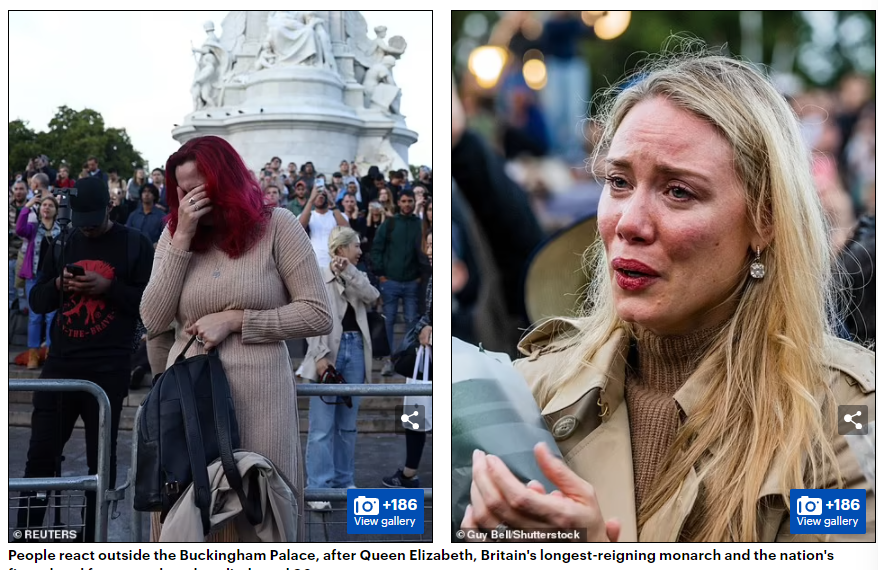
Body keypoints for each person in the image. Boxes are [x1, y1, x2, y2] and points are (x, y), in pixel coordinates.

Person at [461, 52, 876, 543]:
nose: (629, 223)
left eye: (678, 191)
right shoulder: (528, 390)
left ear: (765, 219)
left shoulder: (845, 409)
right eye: (618, 182)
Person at [140, 135, 331, 541]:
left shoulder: (277, 225)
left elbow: (318, 313)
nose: (190, 199)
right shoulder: (173, 235)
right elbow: (153, 319)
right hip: (189, 399)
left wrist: (238, 320)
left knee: (257, 516)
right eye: (182, 190)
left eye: (198, 187)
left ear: (223, 180)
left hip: (259, 399)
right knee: (188, 517)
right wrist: (182, 240)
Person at [15, 176, 155, 542]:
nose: (88, 229)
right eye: (82, 220)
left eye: (94, 219)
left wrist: (108, 288)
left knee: (100, 461)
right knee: (41, 456)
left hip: (108, 367)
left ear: (110, 207)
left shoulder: (134, 244)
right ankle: (28, 537)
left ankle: (92, 539)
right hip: (62, 364)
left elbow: (151, 306)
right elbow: (40, 301)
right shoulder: (63, 241)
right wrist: (59, 285)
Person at [301, 226, 380, 509]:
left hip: (356, 348)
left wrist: (348, 273)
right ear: (341, 248)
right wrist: (319, 355)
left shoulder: (358, 274)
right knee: (322, 426)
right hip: (328, 352)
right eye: (356, 246)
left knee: (348, 426)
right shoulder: (319, 277)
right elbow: (309, 317)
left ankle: (344, 481)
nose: (360, 251)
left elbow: (371, 296)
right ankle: (319, 487)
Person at [383, 231, 431, 488]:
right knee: (414, 415)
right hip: (424, 359)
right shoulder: (432, 277)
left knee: (417, 415)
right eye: (429, 244)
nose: (431, 250)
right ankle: (409, 472)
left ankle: (410, 473)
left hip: (435, 359)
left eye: (435, 244)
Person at [371, 189, 422, 376]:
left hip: (411, 282)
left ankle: (402, 358)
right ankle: (388, 361)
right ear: (398, 203)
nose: (407, 204)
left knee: (411, 323)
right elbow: (376, 248)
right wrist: (381, 274)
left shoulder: (419, 224)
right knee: (388, 322)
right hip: (390, 281)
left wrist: (419, 276)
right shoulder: (390, 224)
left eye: (410, 201)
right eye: (404, 201)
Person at [15, 195, 61, 368]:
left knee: (51, 316)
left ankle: (50, 352)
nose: (46, 208)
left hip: (52, 278)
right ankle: (33, 354)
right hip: (34, 276)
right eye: (44, 205)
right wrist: (28, 205)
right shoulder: (33, 228)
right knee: (35, 317)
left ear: (56, 210)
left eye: (50, 205)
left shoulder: (60, 230)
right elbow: (19, 229)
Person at [298, 181, 349, 268]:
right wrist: (311, 200)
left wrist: (332, 204)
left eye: (323, 194)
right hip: (313, 261)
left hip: (335, 262)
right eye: (317, 195)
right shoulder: (308, 215)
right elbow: (299, 228)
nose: (320, 196)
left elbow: (348, 231)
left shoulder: (338, 215)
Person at [9, 179, 28, 309]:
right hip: (9, 256)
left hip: (25, 258)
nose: (18, 192)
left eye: (21, 189)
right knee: (9, 293)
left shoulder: (33, 208)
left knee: (23, 295)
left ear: (27, 191)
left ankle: (21, 326)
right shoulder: (7, 208)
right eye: (16, 189)